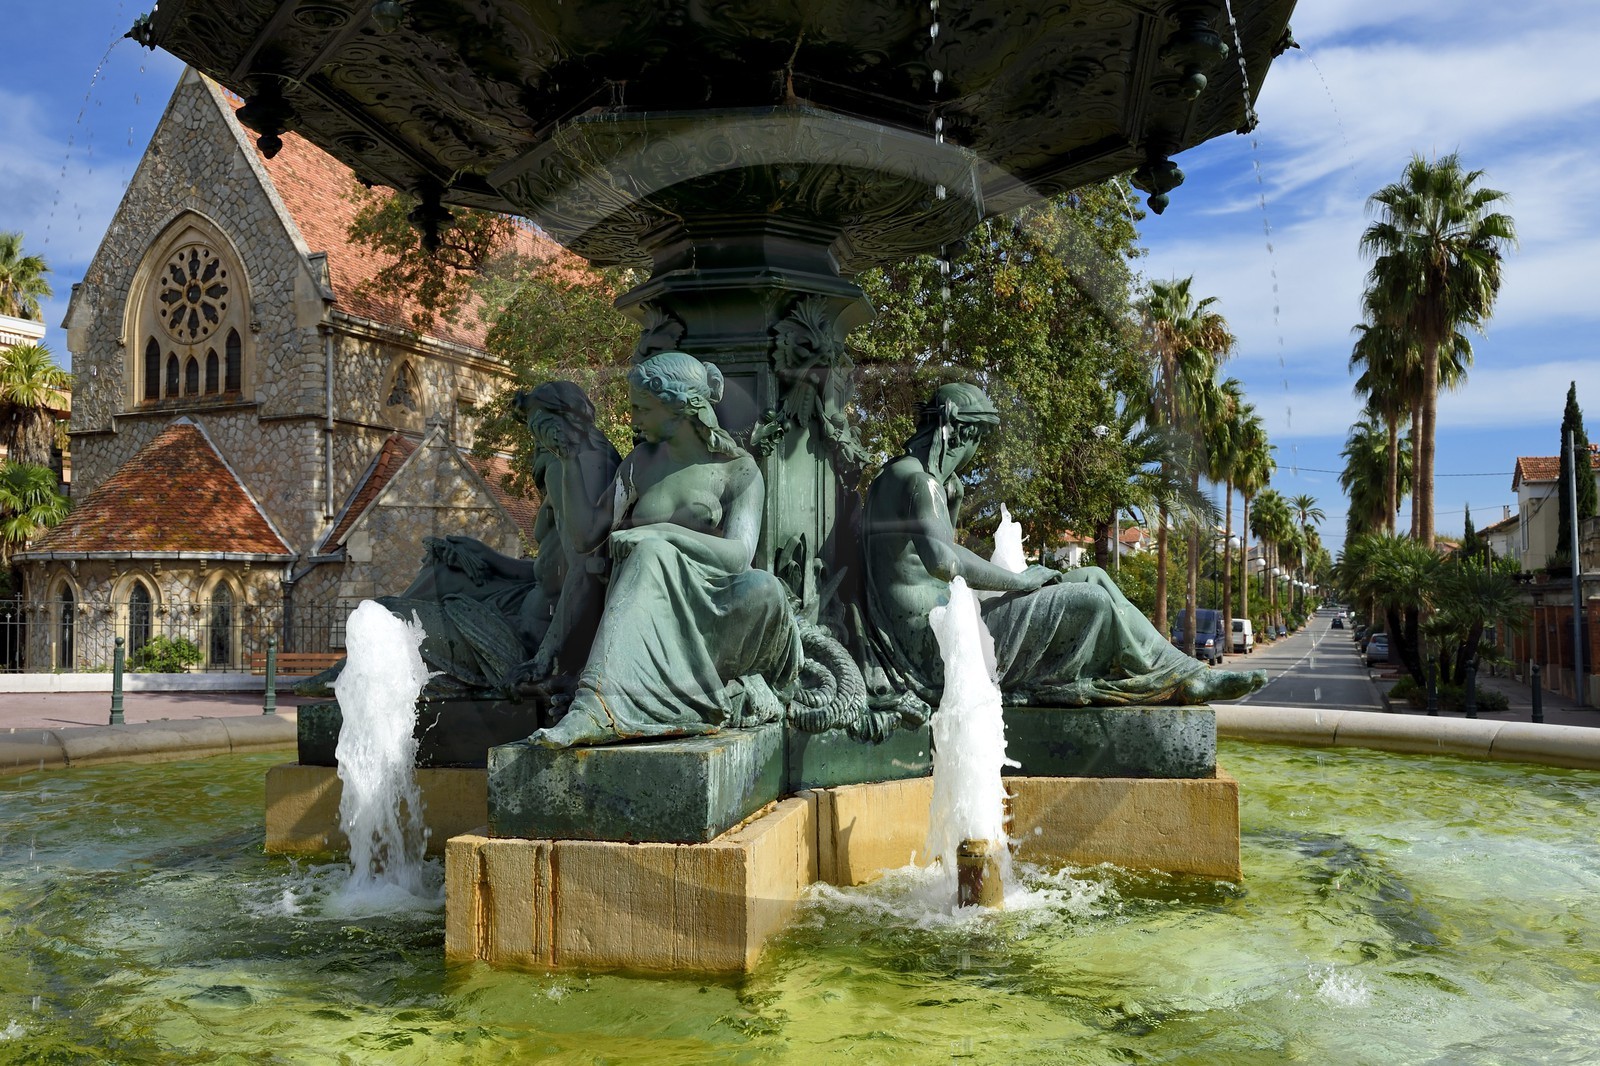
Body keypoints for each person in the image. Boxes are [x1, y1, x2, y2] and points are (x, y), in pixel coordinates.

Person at [862, 382, 1264, 706]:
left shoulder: (904, 477)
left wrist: (954, 501)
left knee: (1095, 576)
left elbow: (940, 553)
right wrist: (1018, 581)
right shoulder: (920, 483)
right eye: (978, 441)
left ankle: (1185, 671)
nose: (976, 453)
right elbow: (944, 562)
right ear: (960, 434)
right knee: (1093, 602)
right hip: (937, 645)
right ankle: (1175, 680)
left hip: (948, 625)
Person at [531, 351, 802, 746]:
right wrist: (569, 458)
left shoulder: (738, 470)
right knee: (649, 554)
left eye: (642, 409)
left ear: (680, 407)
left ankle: (615, 706)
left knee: (764, 586)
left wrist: (661, 533)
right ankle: (594, 708)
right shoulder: (639, 464)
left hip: (712, 608)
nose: (634, 419)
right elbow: (587, 536)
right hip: (650, 606)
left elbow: (738, 556)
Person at [374, 381, 619, 697]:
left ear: (559, 425)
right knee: (446, 570)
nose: (534, 447)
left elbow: (584, 573)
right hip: (527, 609)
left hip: (524, 638)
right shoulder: (587, 463)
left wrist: (545, 658)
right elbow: (552, 570)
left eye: (537, 432)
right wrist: (486, 556)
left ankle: (352, 682)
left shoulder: (568, 469)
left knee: (383, 619)